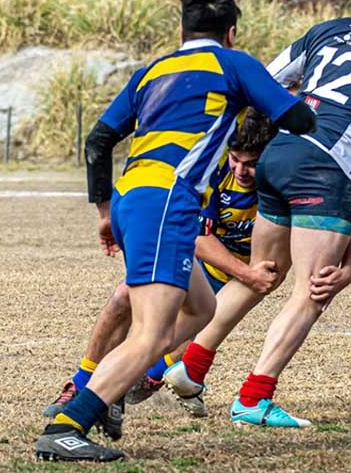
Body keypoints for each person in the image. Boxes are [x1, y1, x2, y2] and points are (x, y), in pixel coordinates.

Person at [33, 0, 317, 462]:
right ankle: (69, 424)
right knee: (150, 335)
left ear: (181, 31)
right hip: (168, 200)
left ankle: (106, 390)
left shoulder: (153, 70)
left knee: (201, 309)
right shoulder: (234, 63)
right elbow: (299, 120)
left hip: (132, 197)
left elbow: (98, 142)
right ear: (230, 32)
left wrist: (105, 212)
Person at [161, 0, 351, 429]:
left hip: (277, 154)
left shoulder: (328, 30)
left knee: (265, 275)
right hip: (323, 167)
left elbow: (267, 82)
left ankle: (190, 366)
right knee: (313, 291)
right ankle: (254, 400)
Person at [39, 111, 287, 426]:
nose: (241, 170)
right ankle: (82, 383)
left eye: (251, 163)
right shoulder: (215, 170)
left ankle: (152, 379)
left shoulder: (284, 180)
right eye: (236, 159)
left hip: (236, 283)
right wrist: (246, 273)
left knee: (194, 321)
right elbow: (198, 238)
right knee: (124, 297)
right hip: (201, 261)